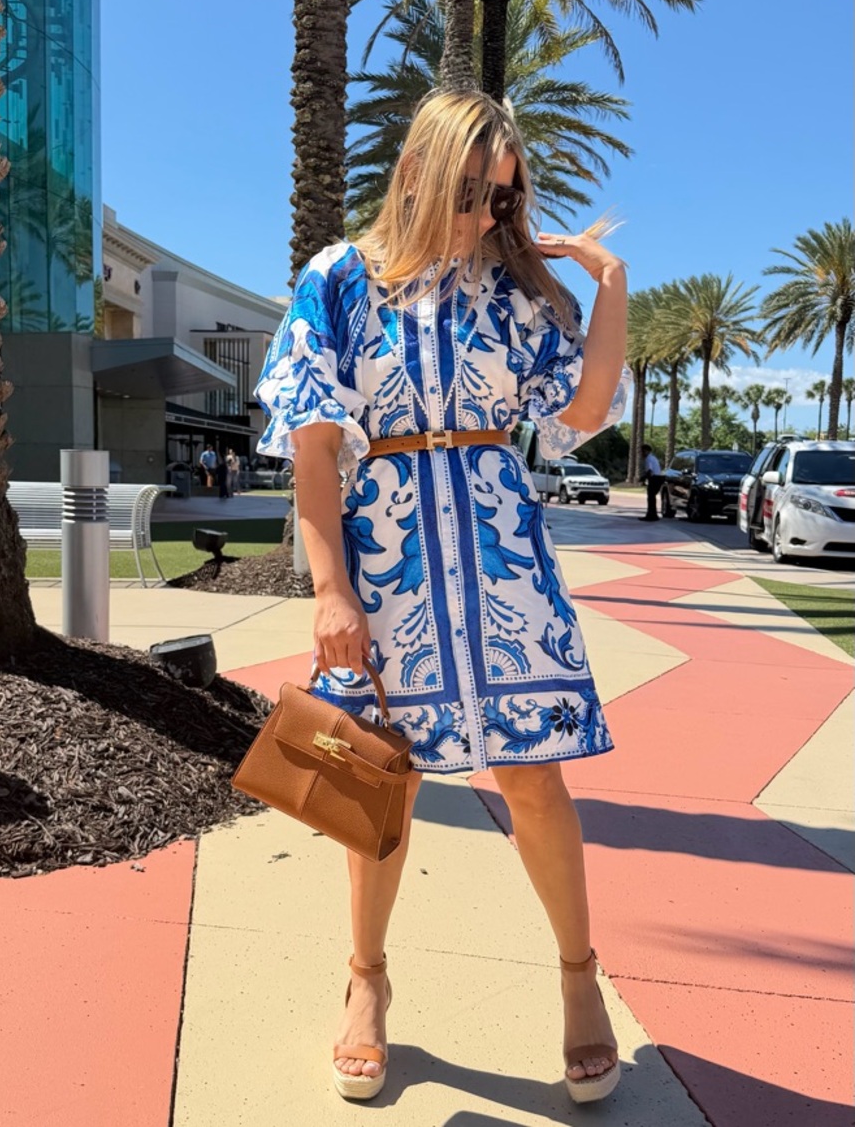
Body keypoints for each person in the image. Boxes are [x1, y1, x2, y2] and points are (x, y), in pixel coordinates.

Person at [254, 89, 630, 1106]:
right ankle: (365, 982)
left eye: (502, 199)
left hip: (505, 569)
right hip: (387, 576)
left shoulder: (517, 295)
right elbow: (314, 450)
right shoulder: (338, 279)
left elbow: (584, 409)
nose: (483, 215)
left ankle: (578, 977)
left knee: (533, 778)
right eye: (470, 192)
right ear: (417, 170)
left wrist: (608, 286)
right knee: (379, 779)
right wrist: (330, 590)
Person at [639, 443, 663, 521]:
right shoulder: (653, 458)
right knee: (652, 497)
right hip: (658, 478)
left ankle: (651, 516)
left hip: (655, 479)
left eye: (642, 451)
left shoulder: (648, 459)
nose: (641, 453)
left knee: (651, 498)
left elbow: (649, 471)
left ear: (647, 451)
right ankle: (653, 515)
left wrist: (643, 478)